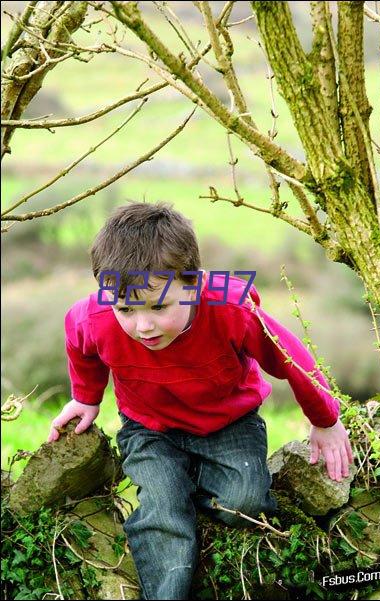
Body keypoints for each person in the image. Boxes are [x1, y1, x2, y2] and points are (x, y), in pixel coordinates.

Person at [47, 202, 353, 600]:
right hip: (149, 427)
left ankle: (195, 494)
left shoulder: (230, 307)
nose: (143, 325)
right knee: (163, 512)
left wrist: (325, 419)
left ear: (193, 284)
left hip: (229, 422)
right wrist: (86, 399)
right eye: (126, 309)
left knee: (242, 503)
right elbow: (78, 343)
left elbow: (290, 358)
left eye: (159, 307)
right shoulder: (95, 316)